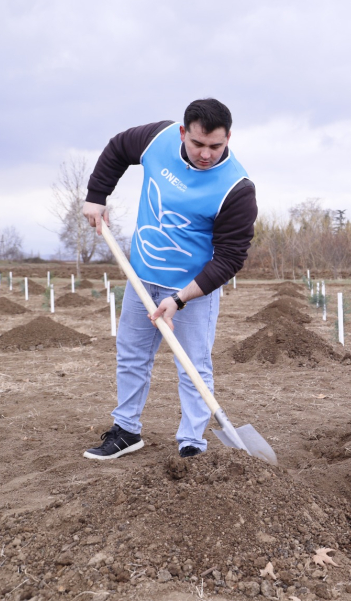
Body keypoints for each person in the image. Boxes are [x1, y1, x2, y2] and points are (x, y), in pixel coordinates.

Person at [82, 98, 257, 460]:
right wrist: (97, 196)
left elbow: (229, 258)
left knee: (192, 366)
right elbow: (118, 148)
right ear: (182, 133)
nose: (206, 154)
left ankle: (192, 441)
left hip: (193, 289)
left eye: (216, 146)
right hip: (141, 276)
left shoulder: (236, 189)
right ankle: (126, 430)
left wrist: (180, 299)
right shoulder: (157, 139)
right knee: (131, 355)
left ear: (229, 139)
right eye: (197, 144)